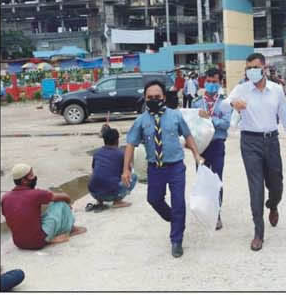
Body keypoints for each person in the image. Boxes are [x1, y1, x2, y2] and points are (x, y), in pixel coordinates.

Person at [228, 53, 286, 252]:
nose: (251, 71)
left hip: (271, 141)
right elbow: (223, 102)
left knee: (276, 183)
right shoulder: (242, 89)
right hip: (249, 142)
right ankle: (258, 232)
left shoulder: (276, 90)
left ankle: (273, 204)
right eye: (248, 67)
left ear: (263, 67)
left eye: (254, 67)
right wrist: (232, 104)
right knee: (255, 187)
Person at [122, 80, 203, 258]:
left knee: (178, 203)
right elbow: (130, 144)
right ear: (144, 98)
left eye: (157, 97)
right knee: (153, 199)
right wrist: (126, 169)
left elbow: (187, 135)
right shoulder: (141, 121)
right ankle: (174, 218)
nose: (153, 100)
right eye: (149, 97)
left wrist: (196, 154)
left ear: (164, 98)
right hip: (155, 168)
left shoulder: (175, 116)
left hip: (175, 167)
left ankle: (176, 240)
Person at [1, 164, 87, 250]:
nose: (34, 177)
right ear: (24, 181)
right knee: (60, 203)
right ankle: (72, 229)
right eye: (31, 175)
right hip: (38, 242)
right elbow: (65, 196)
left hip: (19, 243)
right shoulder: (36, 194)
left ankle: (46, 236)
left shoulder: (5, 198)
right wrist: (68, 205)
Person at [192, 68, 232, 231]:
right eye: (208, 81)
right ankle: (204, 211)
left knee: (216, 179)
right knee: (202, 179)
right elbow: (191, 122)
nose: (211, 84)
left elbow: (226, 124)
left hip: (216, 144)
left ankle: (216, 214)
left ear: (220, 82)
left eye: (214, 82)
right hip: (200, 146)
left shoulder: (225, 102)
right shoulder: (196, 102)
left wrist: (210, 118)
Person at [87, 127, 134, 212]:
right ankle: (117, 201)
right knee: (133, 176)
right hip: (110, 194)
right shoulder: (121, 154)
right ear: (117, 140)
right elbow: (127, 172)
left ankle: (100, 201)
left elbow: (94, 170)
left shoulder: (97, 153)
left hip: (94, 193)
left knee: (100, 175)